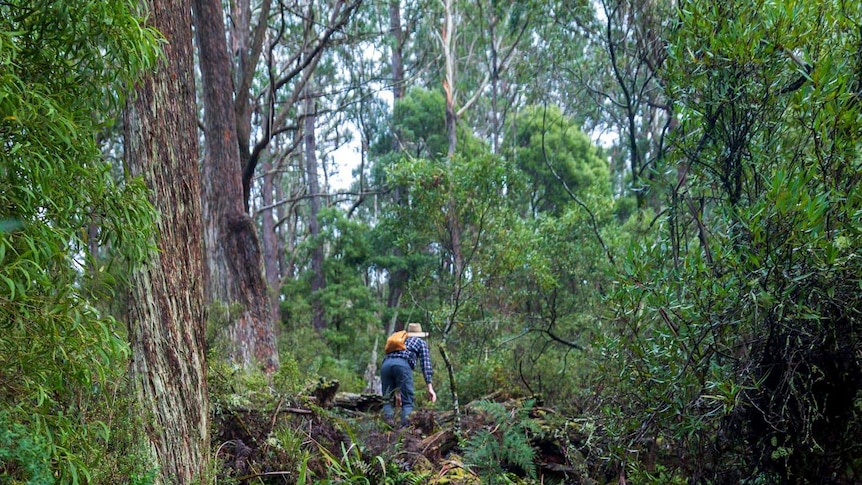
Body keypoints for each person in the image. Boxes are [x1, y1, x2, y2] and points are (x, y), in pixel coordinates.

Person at [381, 323, 437, 427]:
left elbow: (393, 364)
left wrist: (397, 392)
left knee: (386, 400)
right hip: (402, 365)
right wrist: (430, 387)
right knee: (407, 402)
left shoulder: (399, 340)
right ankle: (405, 431)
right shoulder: (420, 342)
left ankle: (388, 426)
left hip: (385, 365)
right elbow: (426, 364)